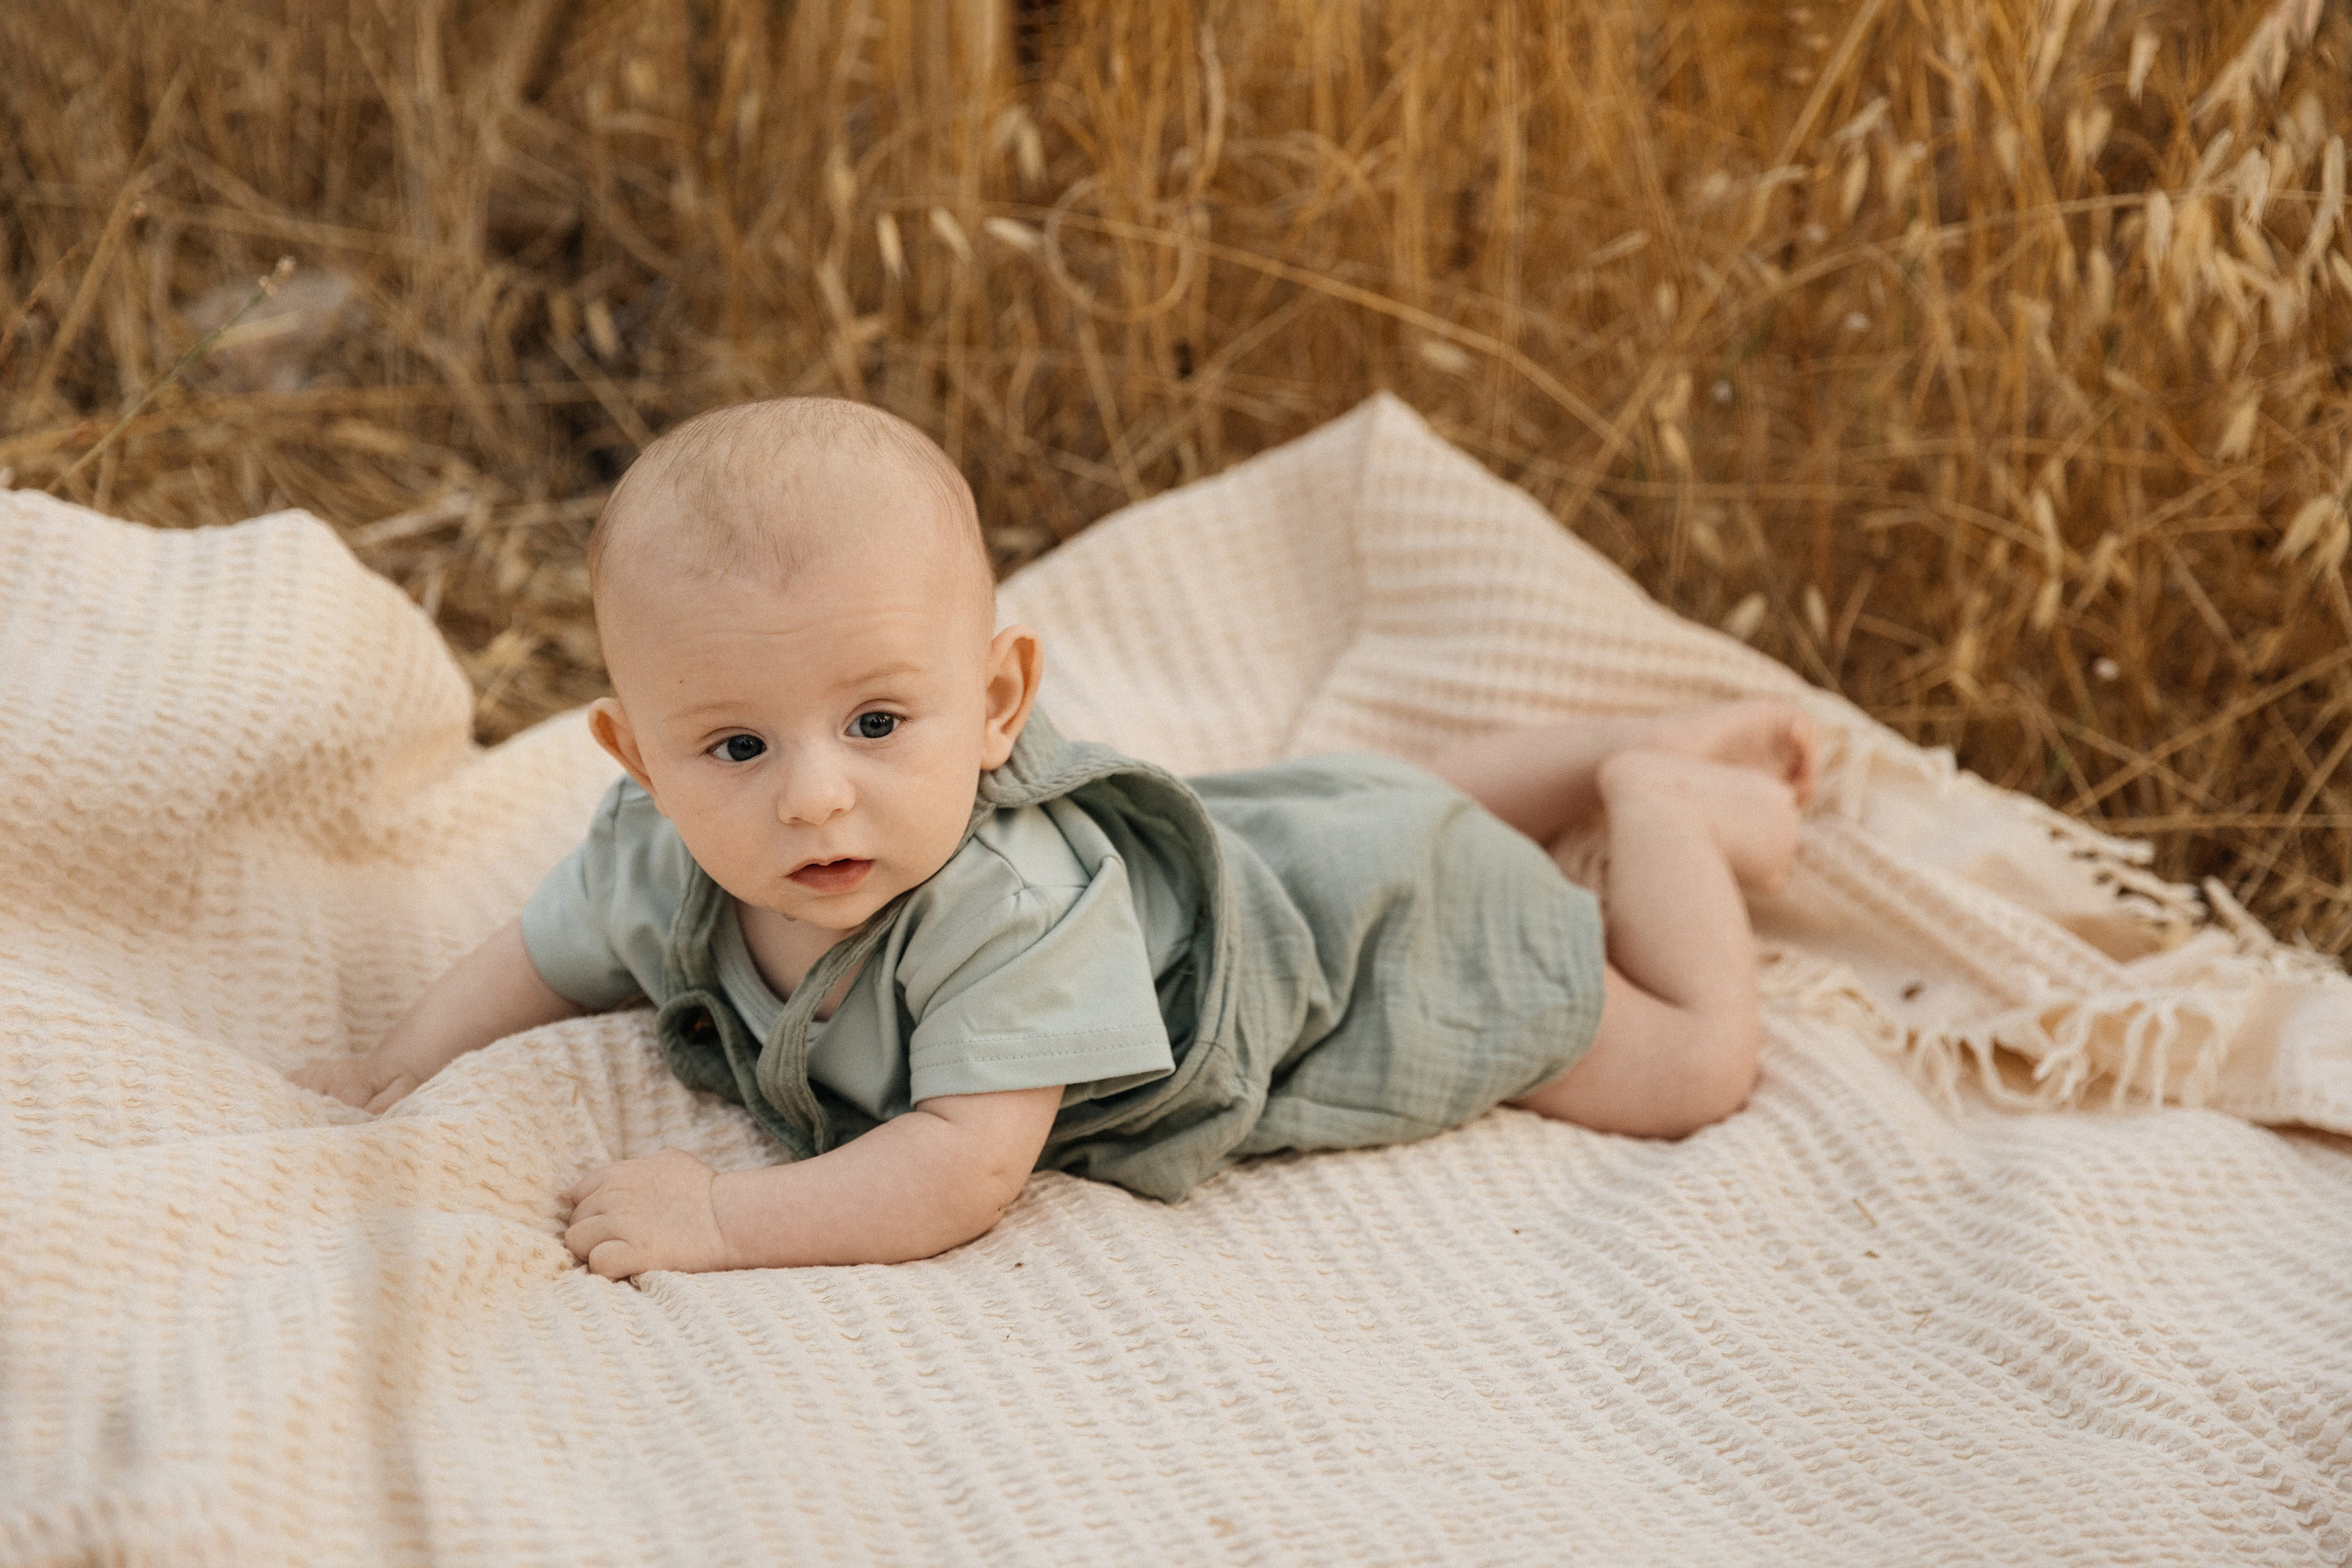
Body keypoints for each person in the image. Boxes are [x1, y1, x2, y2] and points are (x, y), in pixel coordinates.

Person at [293, 398, 1815, 1279]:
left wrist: (722, 1218)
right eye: (737, 747)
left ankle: (1653, 797)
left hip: (1371, 945)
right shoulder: (659, 846)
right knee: (1366, 795)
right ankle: (1612, 756)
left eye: (878, 722)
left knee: (1689, 1064)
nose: (813, 797)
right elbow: (543, 953)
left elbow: (963, 1166)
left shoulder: (1008, 911)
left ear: (998, 702)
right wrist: (394, 1067)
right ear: (636, 758)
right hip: (1289, 840)